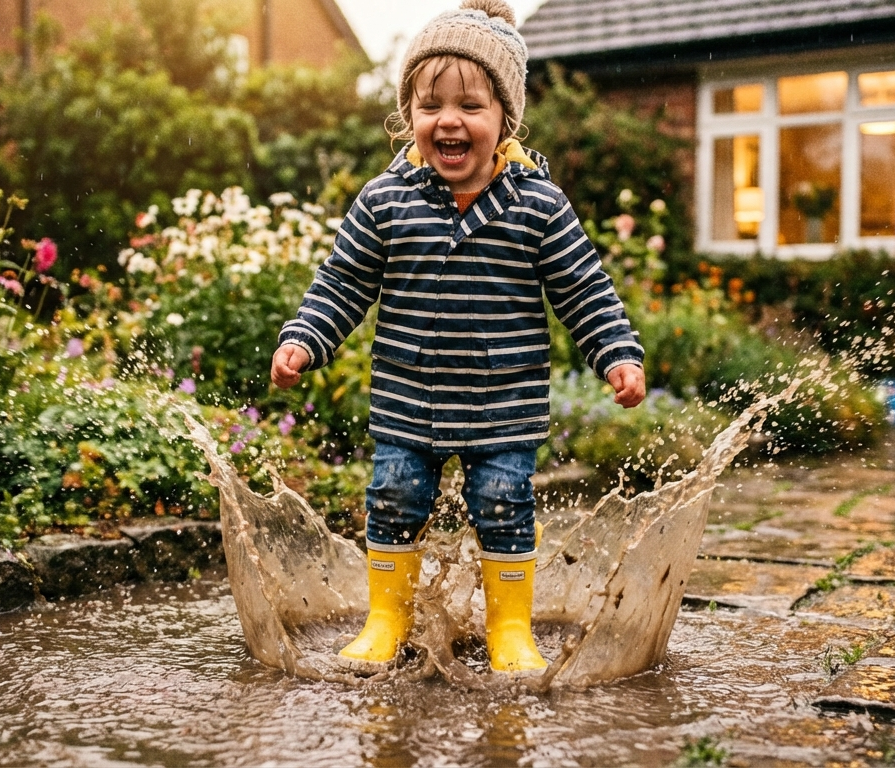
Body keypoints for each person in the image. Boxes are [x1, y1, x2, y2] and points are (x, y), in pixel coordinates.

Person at [269, 0, 646, 674]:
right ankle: (386, 618)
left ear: (505, 118)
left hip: (503, 406)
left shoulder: (537, 205)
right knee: (393, 495)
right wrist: (305, 338)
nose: (449, 119)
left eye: (470, 105)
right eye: (430, 103)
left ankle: (510, 631)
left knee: (503, 504)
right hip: (407, 398)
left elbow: (584, 290)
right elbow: (342, 282)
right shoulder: (387, 200)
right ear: (409, 114)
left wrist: (616, 353)